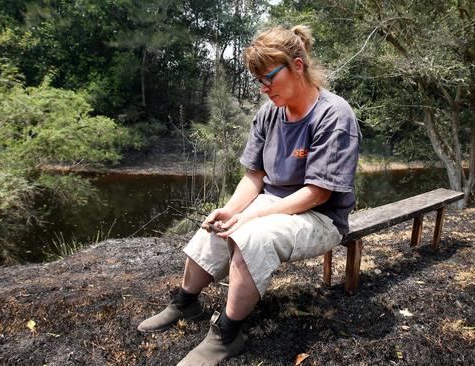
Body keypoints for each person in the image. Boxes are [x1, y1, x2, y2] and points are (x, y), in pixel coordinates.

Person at [137, 24, 361, 366]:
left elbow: (317, 193)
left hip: (321, 215)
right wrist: (229, 210)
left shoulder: (334, 115)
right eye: (259, 81)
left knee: (250, 235)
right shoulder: (270, 113)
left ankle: (227, 335)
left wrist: (250, 216)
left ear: (297, 66)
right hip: (274, 203)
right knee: (219, 224)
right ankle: (185, 302)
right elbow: (254, 175)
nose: (264, 88)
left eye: (269, 77)